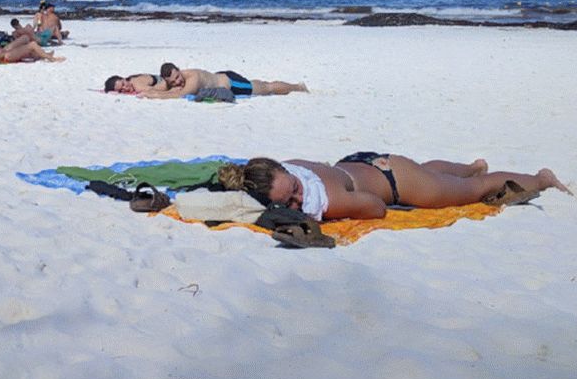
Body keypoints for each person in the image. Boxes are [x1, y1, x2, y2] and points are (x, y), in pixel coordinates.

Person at [222, 154, 571, 222]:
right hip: (369, 162)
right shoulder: (291, 166)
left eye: (296, 190)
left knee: (476, 188)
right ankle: (471, 166)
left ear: (285, 172)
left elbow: (377, 208)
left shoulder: (328, 200)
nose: (300, 200)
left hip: (398, 183)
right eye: (290, 202)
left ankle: (542, 178)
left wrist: (332, 211)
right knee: (433, 174)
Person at [138, 62, 308, 99]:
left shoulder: (193, 78)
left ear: (179, 70)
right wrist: (146, 91)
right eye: (173, 82)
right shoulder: (172, 81)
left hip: (230, 83)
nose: (177, 82)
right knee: (259, 84)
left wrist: (153, 95)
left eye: (178, 77)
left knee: (267, 88)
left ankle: (298, 87)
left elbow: (178, 95)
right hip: (219, 77)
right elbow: (162, 87)